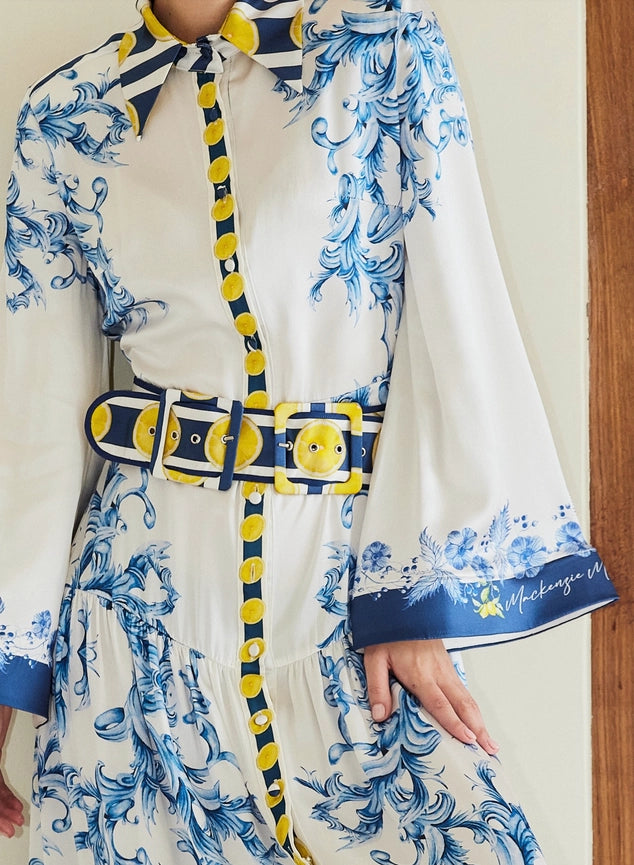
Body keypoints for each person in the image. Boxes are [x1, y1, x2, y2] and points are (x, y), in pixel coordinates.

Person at [0, 0, 617, 862]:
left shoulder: (380, 45)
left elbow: (457, 314)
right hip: (129, 631)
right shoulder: (62, 118)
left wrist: (413, 586)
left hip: (350, 608)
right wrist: (10, 663)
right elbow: (34, 418)